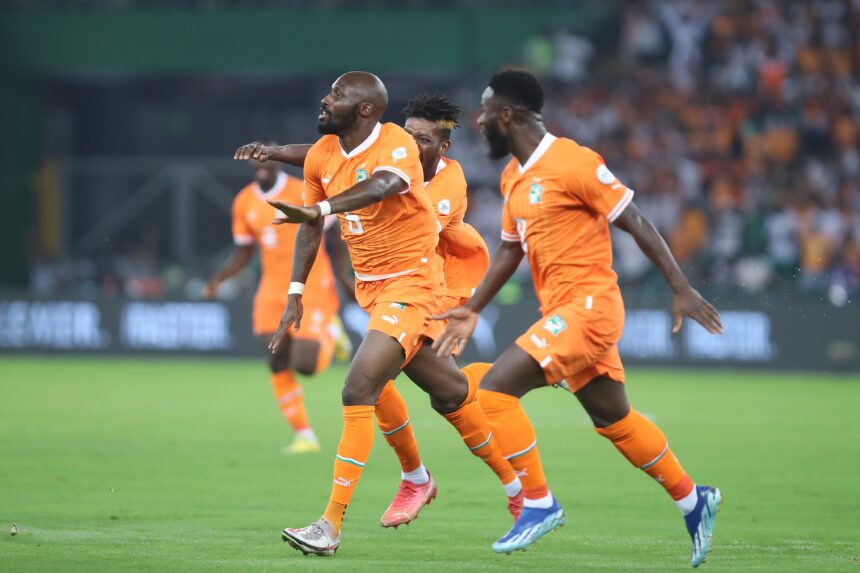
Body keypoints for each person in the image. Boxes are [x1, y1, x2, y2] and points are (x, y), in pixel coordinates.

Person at [433, 69, 724, 567]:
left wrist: (680, 286)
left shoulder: (575, 163)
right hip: (565, 312)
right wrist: (472, 309)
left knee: (494, 391)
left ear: (507, 114)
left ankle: (539, 504)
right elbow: (508, 252)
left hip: (589, 309)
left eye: (483, 113)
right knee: (615, 419)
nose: (477, 123)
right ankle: (694, 500)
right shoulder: (513, 176)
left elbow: (634, 219)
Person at [259, 71, 520, 556]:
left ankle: (333, 523)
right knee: (452, 395)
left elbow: (383, 187)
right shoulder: (360, 152)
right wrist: (277, 153)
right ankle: (518, 493)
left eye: (424, 139)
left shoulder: (442, 179)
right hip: (377, 292)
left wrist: (326, 207)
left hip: (423, 291)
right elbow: (329, 165)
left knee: (361, 385)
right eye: (409, 135)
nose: (411, 144)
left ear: (441, 147)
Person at [204, 156, 348, 454]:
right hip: (271, 288)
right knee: (274, 356)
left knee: (306, 364)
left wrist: (345, 275)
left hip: (312, 281)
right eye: (257, 161)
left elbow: (334, 233)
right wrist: (218, 280)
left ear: (278, 162)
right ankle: (304, 434)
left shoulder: (303, 190)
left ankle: (331, 335)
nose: (262, 166)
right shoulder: (244, 201)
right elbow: (243, 251)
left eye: (268, 158)